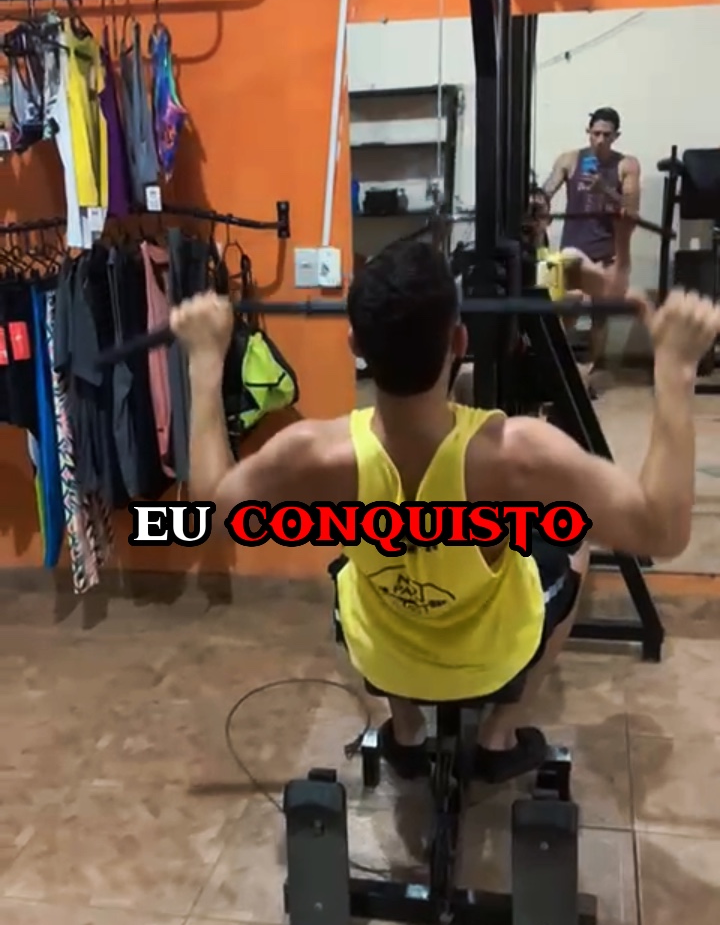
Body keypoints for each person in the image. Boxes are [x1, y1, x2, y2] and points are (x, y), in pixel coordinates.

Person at [171, 242, 716, 784]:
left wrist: (204, 362)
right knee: (576, 541)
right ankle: (501, 732)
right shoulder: (519, 452)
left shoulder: (314, 453)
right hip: (492, 660)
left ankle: (406, 729)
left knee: (349, 560)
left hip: (386, 658)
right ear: (460, 340)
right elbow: (661, 532)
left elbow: (207, 517)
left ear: (355, 344)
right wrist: (675, 371)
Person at [539, 108, 641, 386]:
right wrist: (539, 204)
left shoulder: (626, 165)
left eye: (606, 135)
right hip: (573, 248)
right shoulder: (570, 160)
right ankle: (557, 371)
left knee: (600, 315)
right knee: (565, 309)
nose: (600, 140)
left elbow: (632, 211)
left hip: (607, 251)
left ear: (616, 136)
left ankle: (593, 376)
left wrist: (604, 190)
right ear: (588, 132)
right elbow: (546, 191)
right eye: (596, 134)